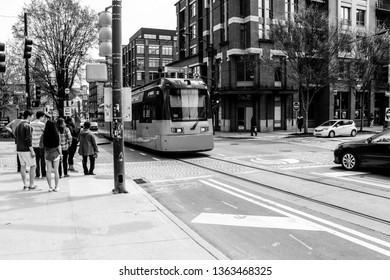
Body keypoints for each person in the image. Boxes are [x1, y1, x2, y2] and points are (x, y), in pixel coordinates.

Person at [14, 110, 38, 190]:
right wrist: (32, 150)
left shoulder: (18, 126)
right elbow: (28, 139)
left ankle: (25, 184)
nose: (33, 117)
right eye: (32, 116)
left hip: (19, 149)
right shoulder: (28, 126)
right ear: (28, 116)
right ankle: (32, 184)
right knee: (33, 165)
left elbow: (16, 137)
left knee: (23, 166)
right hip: (26, 149)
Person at [43, 120, 62, 192]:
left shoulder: (44, 134)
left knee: (48, 171)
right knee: (56, 171)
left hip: (47, 154)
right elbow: (59, 146)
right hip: (55, 154)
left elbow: (43, 145)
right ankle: (56, 187)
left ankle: (50, 187)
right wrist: (61, 154)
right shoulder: (57, 134)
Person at [31, 111, 46, 179]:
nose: (44, 118)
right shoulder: (42, 124)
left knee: (36, 160)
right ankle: (43, 174)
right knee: (42, 159)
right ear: (41, 116)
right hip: (40, 144)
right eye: (43, 117)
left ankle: (37, 174)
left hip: (33, 144)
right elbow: (45, 133)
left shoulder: (31, 124)